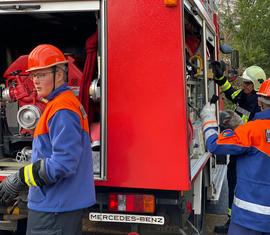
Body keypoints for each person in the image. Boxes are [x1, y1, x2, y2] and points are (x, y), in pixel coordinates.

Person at [0, 44, 96, 235]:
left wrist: (21, 177)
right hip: (56, 204)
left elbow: (63, 163)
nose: (35, 81)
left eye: (41, 75)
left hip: (55, 208)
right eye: (33, 75)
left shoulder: (62, 110)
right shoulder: (58, 105)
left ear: (59, 74)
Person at [200, 79, 270, 235]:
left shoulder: (252, 131)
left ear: (261, 102)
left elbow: (214, 145)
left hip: (248, 220)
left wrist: (208, 118)